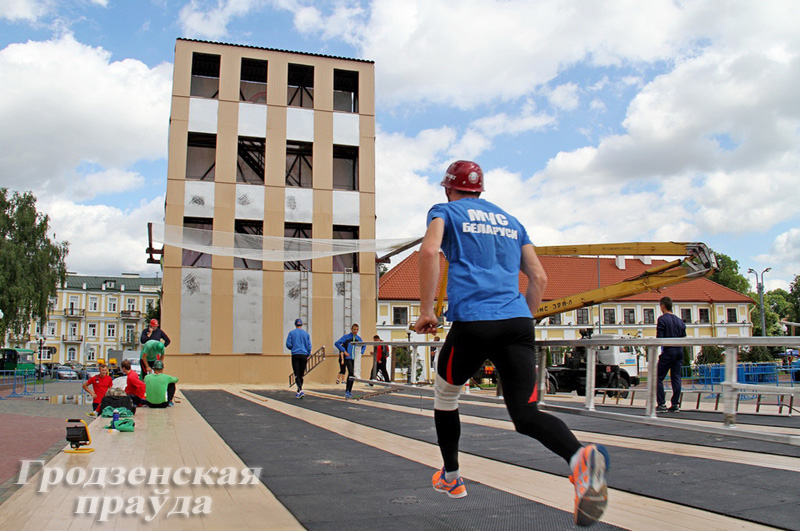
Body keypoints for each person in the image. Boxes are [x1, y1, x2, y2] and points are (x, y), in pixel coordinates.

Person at [414, 160, 609, 526]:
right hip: (517, 321)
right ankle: (580, 459)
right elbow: (538, 276)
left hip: (474, 320)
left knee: (446, 394)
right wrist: (523, 322)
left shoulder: (445, 211)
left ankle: (452, 478)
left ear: (447, 188)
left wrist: (428, 311)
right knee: (525, 415)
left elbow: (428, 252)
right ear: (481, 190)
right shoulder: (511, 221)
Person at [656, 296, 686, 413]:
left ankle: (661, 404)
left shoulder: (662, 319)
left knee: (657, 377)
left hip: (669, 351)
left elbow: (660, 338)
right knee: (676, 377)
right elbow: (684, 337)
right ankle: (675, 404)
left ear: (663, 306)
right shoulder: (680, 321)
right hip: (679, 351)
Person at [335, 323, 365, 399]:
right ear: (351, 329)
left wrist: (361, 353)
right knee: (350, 372)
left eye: (357, 330)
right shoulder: (346, 337)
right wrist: (344, 351)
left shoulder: (358, 338)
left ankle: (349, 390)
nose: (355, 331)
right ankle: (347, 391)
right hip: (348, 358)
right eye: (354, 329)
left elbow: (364, 345)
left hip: (355, 358)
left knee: (353, 374)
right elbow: (337, 343)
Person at [286, 318, 312, 398]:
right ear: (301, 325)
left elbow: (288, 344)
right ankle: (298, 391)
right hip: (304, 354)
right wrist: (308, 354)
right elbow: (309, 346)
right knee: (301, 374)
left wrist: (293, 347)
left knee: (297, 374)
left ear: (295, 324)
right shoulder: (306, 334)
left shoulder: (291, 333)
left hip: (295, 354)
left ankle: (300, 390)